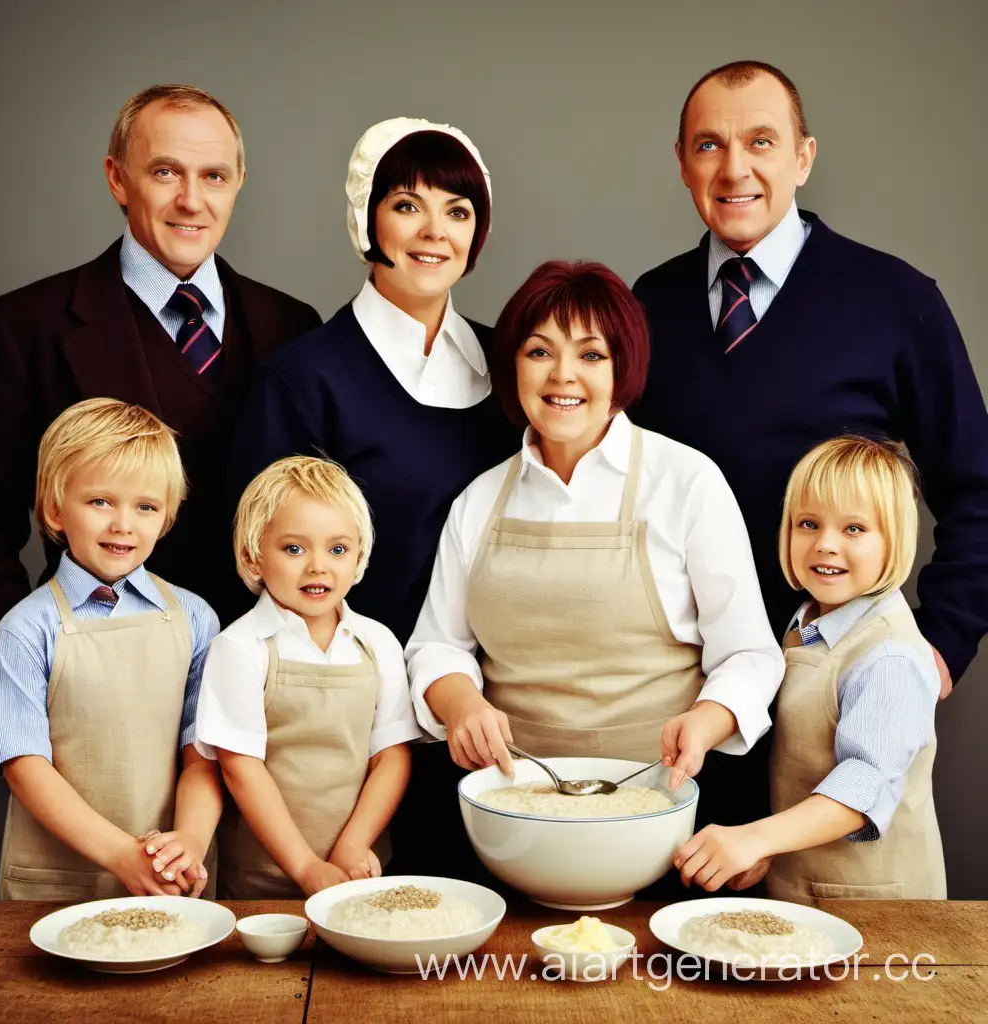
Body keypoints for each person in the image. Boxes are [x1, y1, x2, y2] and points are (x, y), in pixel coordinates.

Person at [405, 260, 783, 879]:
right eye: (539, 351)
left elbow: (751, 654)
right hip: (512, 815)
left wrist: (707, 721)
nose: (563, 376)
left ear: (622, 369)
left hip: (657, 812)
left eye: (591, 355)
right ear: (514, 367)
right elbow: (436, 646)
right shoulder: (478, 500)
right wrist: (460, 703)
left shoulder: (686, 482)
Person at [630, 60, 988, 703]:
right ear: (683, 163)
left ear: (804, 158)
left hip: (834, 679)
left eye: (761, 142)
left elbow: (979, 489)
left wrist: (943, 642)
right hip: (679, 685)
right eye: (710, 144)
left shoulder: (896, 302)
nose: (735, 168)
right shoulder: (647, 305)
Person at [0, 84, 321, 654]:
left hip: (261, 680)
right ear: (116, 178)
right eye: (164, 172)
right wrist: (31, 664)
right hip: (97, 668)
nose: (191, 200)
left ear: (237, 186)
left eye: (214, 176)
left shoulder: (294, 325)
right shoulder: (26, 326)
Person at [229, 117, 517, 647]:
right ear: (367, 219)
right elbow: (260, 568)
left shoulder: (516, 366)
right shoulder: (302, 380)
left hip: (502, 694)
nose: (435, 231)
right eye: (408, 206)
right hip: (360, 700)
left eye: (457, 211)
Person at [674, 436, 946, 904]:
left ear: (895, 539)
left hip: (882, 913)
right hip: (803, 895)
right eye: (808, 523)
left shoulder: (891, 655)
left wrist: (755, 837)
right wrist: (765, 853)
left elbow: (864, 784)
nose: (825, 545)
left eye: (854, 529)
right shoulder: (806, 625)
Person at [0, 399, 222, 900]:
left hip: (169, 880)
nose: (123, 524)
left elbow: (204, 754)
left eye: (146, 507)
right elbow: (25, 766)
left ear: (167, 517)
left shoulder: (196, 618)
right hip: (56, 887)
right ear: (54, 510)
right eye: (100, 502)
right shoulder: (25, 630)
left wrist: (192, 840)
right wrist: (120, 855)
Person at [196, 456, 420, 897]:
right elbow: (241, 767)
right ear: (253, 555)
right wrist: (304, 867)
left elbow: (391, 757)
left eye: (337, 549)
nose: (318, 566)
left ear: (359, 555)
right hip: (261, 885)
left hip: (359, 874)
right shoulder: (240, 647)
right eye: (294, 549)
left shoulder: (377, 643)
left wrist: (354, 844)